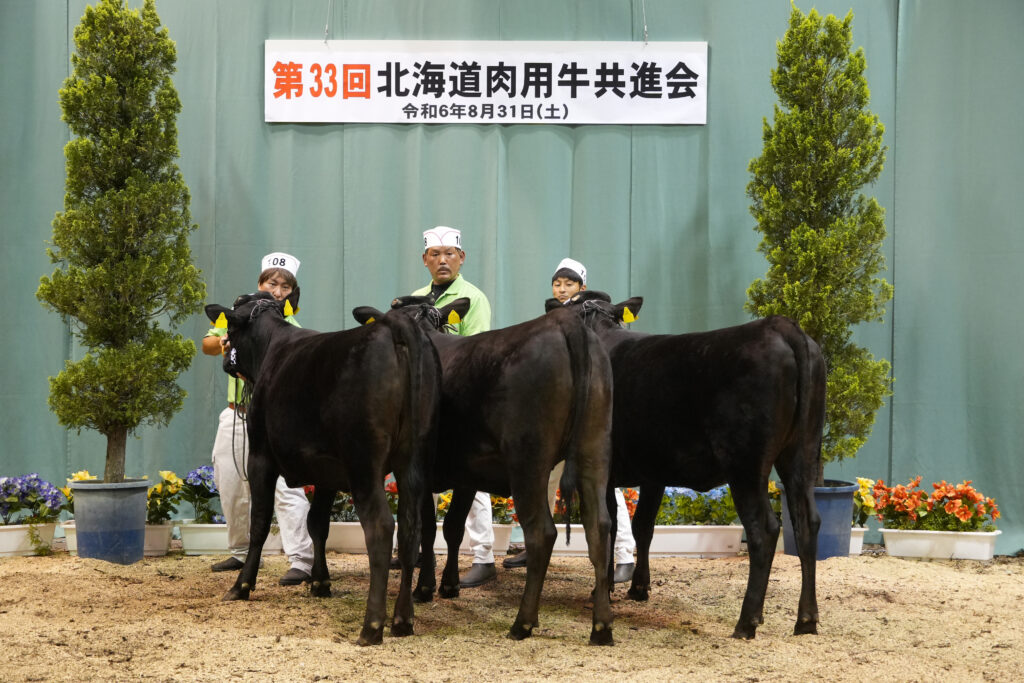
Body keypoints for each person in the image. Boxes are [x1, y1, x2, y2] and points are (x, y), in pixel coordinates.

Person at [502, 257, 637, 584]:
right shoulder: (551, 319)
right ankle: (532, 544)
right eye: (558, 283)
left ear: (582, 288)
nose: (562, 289)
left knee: (604, 484)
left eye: (569, 283)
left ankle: (625, 553)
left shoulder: (597, 318)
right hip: (559, 418)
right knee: (544, 480)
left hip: (590, 418)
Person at [201, 252, 315, 586]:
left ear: (291, 292)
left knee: (287, 486)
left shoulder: (287, 323)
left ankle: (302, 559)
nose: (277, 290)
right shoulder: (239, 315)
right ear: (260, 284)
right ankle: (240, 551)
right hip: (236, 411)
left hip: (277, 418)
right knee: (230, 479)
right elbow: (208, 343)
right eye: (271, 283)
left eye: (284, 286)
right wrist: (223, 343)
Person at [415, 226, 497, 588]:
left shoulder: (473, 297)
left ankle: (484, 555)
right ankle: (422, 550)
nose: (443, 260)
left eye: (450, 253)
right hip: (424, 401)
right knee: (420, 477)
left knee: (472, 478)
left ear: (461, 258)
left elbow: (476, 349)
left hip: (461, 399)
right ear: (425, 260)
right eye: (436, 254)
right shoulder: (415, 298)